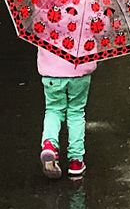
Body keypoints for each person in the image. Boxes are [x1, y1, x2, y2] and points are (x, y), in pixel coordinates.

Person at [38, 30, 96, 181]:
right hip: (80, 68)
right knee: (76, 113)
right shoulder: (90, 7)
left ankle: (49, 144)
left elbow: (34, 26)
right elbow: (103, 28)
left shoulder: (42, 6)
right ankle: (76, 162)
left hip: (51, 71)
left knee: (53, 110)